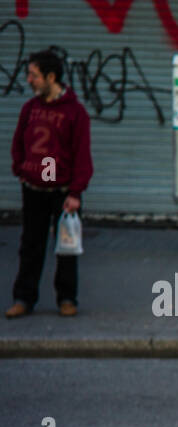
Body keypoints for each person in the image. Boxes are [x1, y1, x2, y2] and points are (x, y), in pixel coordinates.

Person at [6, 49, 92, 319]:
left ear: (51, 77)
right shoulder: (30, 108)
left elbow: (80, 154)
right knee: (31, 245)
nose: (29, 80)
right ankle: (24, 297)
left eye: (34, 75)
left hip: (63, 192)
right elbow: (19, 141)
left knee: (66, 246)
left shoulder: (74, 113)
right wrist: (21, 169)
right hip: (34, 189)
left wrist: (75, 191)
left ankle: (67, 298)